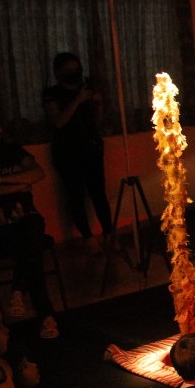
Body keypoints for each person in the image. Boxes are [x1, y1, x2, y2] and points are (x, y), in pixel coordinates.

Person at [0, 108, 60, 340]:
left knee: (30, 227)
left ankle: (19, 291)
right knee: (31, 245)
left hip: (24, 223)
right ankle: (45, 315)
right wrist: (17, 186)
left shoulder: (11, 151)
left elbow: (37, 173)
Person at [41, 52, 115, 255]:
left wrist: (98, 104)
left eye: (76, 69)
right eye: (69, 70)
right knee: (75, 195)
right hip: (67, 151)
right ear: (58, 73)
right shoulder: (52, 94)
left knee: (98, 193)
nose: (74, 73)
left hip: (90, 147)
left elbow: (97, 123)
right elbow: (58, 121)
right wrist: (77, 100)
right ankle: (87, 238)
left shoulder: (86, 90)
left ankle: (109, 235)